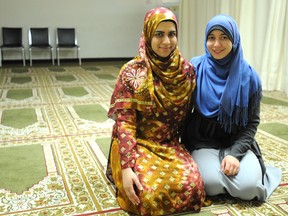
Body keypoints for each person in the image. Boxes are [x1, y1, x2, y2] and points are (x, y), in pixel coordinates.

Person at [106, 7, 206, 216]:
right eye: (159, 34)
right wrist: (126, 168)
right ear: (148, 35)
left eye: (172, 34)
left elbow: (188, 119)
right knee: (148, 195)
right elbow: (126, 123)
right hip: (137, 145)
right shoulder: (133, 72)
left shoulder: (186, 72)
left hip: (169, 145)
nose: (166, 41)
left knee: (194, 189)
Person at [183, 14, 282, 201]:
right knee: (209, 185)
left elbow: (251, 123)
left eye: (224, 37)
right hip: (203, 141)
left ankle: (246, 170)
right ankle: (219, 175)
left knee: (250, 188)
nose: (217, 44)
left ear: (234, 39)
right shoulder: (195, 68)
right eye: (211, 38)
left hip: (237, 142)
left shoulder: (249, 77)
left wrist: (236, 155)